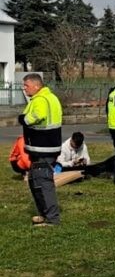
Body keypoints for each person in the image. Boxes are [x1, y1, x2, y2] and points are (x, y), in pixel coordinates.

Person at [19, 73, 63, 226]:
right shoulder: (50, 97)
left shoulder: (41, 100)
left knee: (43, 183)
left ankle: (52, 218)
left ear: (36, 86)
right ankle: (45, 214)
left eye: (26, 85)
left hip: (43, 148)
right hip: (47, 147)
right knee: (34, 181)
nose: (24, 89)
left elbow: (35, 116)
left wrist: (23, 119)